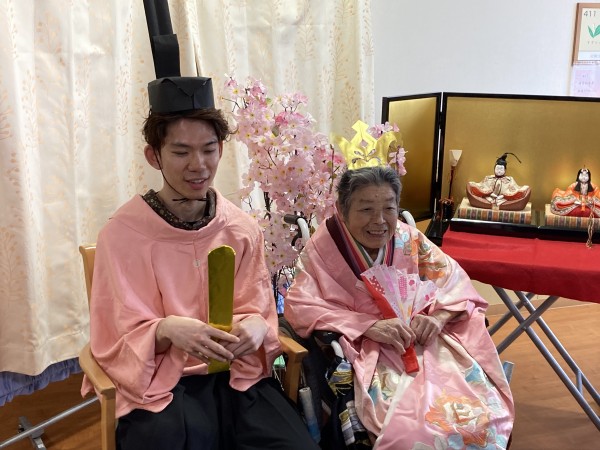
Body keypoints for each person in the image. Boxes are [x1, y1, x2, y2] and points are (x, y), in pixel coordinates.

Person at [81, 75, 319, 450]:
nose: (199, 165)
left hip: (237, 375)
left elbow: (257, 310)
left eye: (209, 150)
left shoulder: (240, 229)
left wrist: (257, 326)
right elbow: (113, 339)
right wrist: (164, 330)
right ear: (153, 156)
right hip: (161, 384)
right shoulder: (123, 235)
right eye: (180, 152)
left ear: (221, 149)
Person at [284, 166, 514, 449]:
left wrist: (438, 318)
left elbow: (455, 282)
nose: (380, 221)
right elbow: (300, 305)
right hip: (366, 349)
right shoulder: (322, 248)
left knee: (480, 416)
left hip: (423, 340)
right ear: (342, 210)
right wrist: (368, 326)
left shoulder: (408, 239)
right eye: (366, 209)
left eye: (389, 208)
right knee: (414, 431)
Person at [466, 152, 531, 210]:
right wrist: (490, 194)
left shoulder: (509, 179)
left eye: (501, 169)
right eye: (497, 168)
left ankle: (503, 205)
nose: (499, 171)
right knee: (472, 188)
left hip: (504, 199)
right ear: (494, 168)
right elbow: (483, 186)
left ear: (505, 170)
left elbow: (513, 189)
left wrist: (503, 196)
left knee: (522, 194)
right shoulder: (489, 178)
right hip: (489, 198)